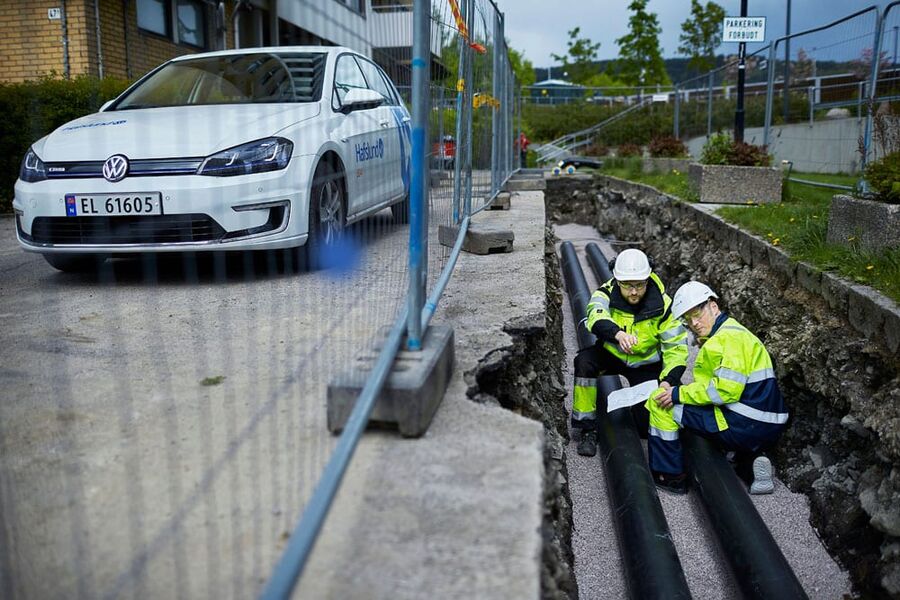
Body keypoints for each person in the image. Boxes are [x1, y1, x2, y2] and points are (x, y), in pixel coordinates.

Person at [646, 281, 789, 495]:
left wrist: (677, 394)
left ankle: (670, 475)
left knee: (661, 404)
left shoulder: (725, 339)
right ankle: (750, 465)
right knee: (696, 407)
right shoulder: (736, 331)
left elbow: (723, 391)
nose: (694, 323)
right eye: (688, 319)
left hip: (742, 423)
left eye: (697, 314)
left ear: (713, 305)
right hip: (769, 422)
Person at [572, 249, 689, 457]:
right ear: (617, 280)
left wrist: (668, 380)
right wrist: (617, 334)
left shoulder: (664, 306)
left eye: (639, 285)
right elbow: (595, 316)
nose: (633, 292)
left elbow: (676, 349)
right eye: (627, 285)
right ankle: (587, 428)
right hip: (613, 354)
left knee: (644, 426)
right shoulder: (605, 292)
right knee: (584, 361)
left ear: (648, 279)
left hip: (646, 363)